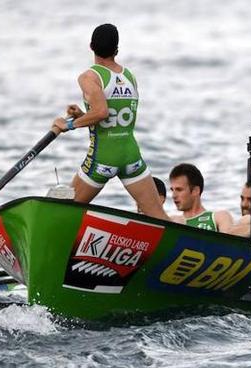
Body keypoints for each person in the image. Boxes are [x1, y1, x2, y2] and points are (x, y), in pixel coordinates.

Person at [51, 24, 170, 221]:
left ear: (91, 46)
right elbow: (112, 118)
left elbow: (101, 112)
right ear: (117, 49)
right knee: (159, 217)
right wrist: (81, 114)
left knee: (64, 213)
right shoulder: (129, 76)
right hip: (130, 155)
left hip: (103, 158)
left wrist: (68, 125)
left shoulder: (89, 77)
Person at [169, 163, 233, 232]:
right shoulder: (172, 220)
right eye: (172, 190)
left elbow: (231, 240)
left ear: (195, 191)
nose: (173, 196)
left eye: (179, 190)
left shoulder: (219, 217)